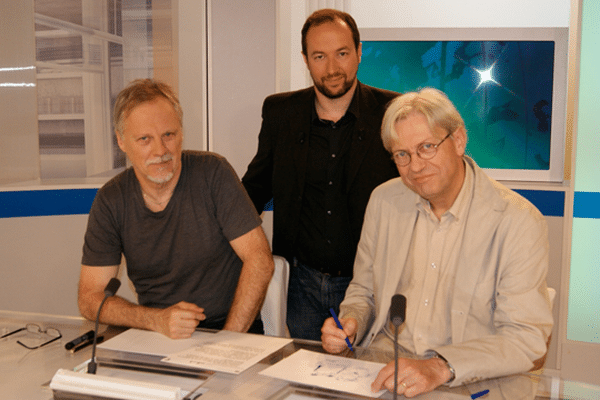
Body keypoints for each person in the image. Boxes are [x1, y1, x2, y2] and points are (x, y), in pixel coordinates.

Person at [321, 88, 553, 397]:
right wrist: (350, 322)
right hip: (384, 369)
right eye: (402, 155)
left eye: (426, 147)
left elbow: (526, 339)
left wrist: (440, 367)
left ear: (458, 141)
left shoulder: (518, 221)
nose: (415, 167)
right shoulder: (383, 201)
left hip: (467, 381)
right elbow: (364, 292)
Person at [241, 9, 399, 340]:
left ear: (358, 52)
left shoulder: (392, 113)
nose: (331, 68)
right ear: (305, 59)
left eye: (342, 53)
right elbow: (253, 188)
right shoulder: (280, 113)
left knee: (368, 378)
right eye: (319, 56)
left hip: (370, 284)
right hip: (302, 285)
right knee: (306, 377)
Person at [78, 79, 274, 339]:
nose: (161, 150)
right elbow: (90, 298)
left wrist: (227, 342)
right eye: (145, 139)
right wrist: (155, 319)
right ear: (122, 141)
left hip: (230, 329)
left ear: (181, 132)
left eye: (168, 135)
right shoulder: (111, 200)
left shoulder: (213, 174)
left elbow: (259, 259)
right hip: (158, 332)